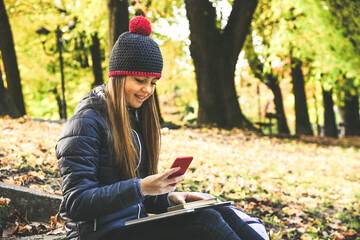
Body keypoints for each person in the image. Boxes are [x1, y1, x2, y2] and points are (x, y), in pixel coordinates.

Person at [56, 16, 267, 240]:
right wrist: (141, 187)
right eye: (140, 80)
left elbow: (136, 196)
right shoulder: (84, 124)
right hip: (99, 234)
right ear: (117, 77)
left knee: (214, 208)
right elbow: (76, 203)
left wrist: (168, 198)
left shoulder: (133, 122)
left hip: (132, 225)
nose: (147, 90)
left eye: (153, 82)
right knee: (206, 222)